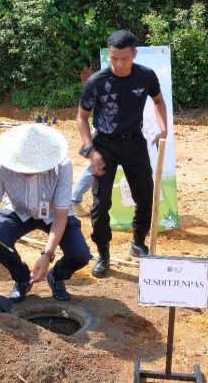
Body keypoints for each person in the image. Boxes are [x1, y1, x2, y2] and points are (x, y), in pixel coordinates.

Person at [77, 29, 167, 279]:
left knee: (146, 197)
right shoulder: (96, 81)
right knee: (101, 202)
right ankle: (103, 254)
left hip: (135, 143)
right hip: (104, 145)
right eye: (113, 58)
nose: (117, 64)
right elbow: (82, 118)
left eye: (123, 59)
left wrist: (163, 127)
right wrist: (90, 150)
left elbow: (158, 101)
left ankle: (138, 241)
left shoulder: (145, 77)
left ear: (134, 55)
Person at [0, 124, 92, 303]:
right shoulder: (2, 168)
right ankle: (22, 279)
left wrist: (47, 255)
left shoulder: (63, 166)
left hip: (53, 213)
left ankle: (57, 276)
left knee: (80, 254)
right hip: (18, 210)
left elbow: (60, 216)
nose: (27, 170)